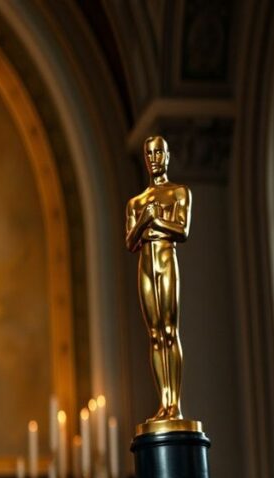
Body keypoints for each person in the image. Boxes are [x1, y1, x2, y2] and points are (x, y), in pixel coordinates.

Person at [124, 135, 192, 423]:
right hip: (146, 263)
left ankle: (175, 404)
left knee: (169, 331)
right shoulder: (136, 202)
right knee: (153, 334)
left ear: (166, 156)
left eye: (158, 154)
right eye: (149, 155)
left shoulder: (178, 192)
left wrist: (154, 221)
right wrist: (144, 220)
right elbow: (130, 241)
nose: (153, 160)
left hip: (165, 258)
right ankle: (163, 403)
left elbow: (182, 230)